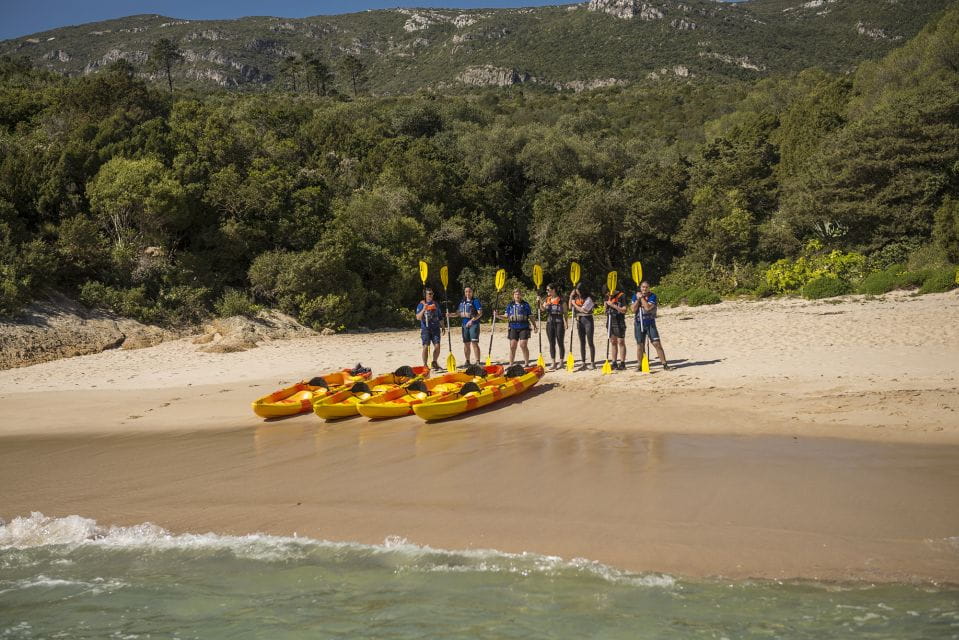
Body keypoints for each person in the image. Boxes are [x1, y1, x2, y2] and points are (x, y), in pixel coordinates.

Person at [631, 280, 670, 371]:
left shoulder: (653, 296)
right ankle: (640, 365)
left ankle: (664, 364)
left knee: (656, 343)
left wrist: (641, 298)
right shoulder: (635, 296)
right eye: (643, 287)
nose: (644, 289)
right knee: (640, 345)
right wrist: (637, 299)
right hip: (638, 323)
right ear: (640, 287)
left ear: (649, 288)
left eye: (646, 287)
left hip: (650, 323)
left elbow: (648, 308)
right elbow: (633, 309)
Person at [494, 288, 537, 367]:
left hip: (524, 327)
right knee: (512, 346)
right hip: (513, 327)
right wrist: (497, 316)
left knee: (523, 345)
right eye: (515, 294)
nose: (517, 296)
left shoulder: (526, 305)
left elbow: (531, 316)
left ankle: (526, 363)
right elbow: (506, 316)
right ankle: (511, 364)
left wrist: (535, 326)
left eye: (518, 294)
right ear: (513, 296)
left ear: (521, 295)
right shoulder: (510, 305)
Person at [449, 286, 483, 366]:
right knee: (466, 344)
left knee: (474, 343)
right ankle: (467, 361)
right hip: (464, 325)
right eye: (466, 292)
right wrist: (450, 315)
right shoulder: (462, 302)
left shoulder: (475, 301)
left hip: (473, 324)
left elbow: (480, 313)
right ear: (464, 293)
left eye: (469, 291)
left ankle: (478, 361)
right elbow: (458, 313)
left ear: (472, 292)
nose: (468, 293)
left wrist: (472, 321)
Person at [415, 288, 444, 371]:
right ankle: (425, 364)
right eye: (429, 294)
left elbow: (440, 317)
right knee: (425, 347)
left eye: (432, 293)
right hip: (425, 329)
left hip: (435, 329)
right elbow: (418, 317)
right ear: (426, 295)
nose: (431, 295)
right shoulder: (421, 304)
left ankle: (434, 362)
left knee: (437, 346)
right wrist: (424, 308)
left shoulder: (436, 304)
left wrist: (442, 326)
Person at [539, 283, 566, 370]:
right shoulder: (547, 299)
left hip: (559, 322)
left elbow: (565, 312)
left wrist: (566, 322)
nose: (547, 291)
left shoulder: (561, 299)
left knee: (560, 342)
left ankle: (561, 362)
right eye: (547, 290)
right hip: (550, 322)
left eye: (548, 290)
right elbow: (542, 309)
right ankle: (553, 362)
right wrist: (539, 301)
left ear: (553, 290)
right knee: (552, 343)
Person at [569, 286, 596, 371]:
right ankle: (583, 363)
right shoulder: (576, 298)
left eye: (578, 292)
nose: (577, 293)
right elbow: (570, 307)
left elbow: (584, 310)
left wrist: (574, 303)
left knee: (590, 342)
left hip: (588, 320)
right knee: (582, 342)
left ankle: (592, 363)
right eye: (576, 292)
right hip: (579, 321)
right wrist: (571, 297)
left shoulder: (589, 299)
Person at [605, 287, 628, 370]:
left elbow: (624, 310)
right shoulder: (607, 296)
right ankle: (614, 362)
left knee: (620, 342)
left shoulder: (622, 296)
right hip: (610, 321)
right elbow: (606, 311)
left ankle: (622, 363)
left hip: (619, 321)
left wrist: (613, 305)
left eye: (608, 292)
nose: (607, 294)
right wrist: (606, 306)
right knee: (613, 342)